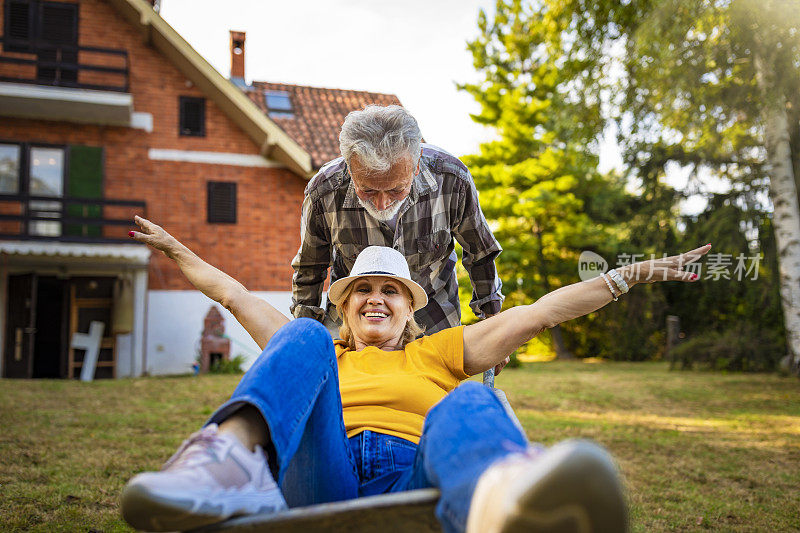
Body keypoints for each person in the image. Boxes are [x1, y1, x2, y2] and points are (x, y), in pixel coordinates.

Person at [122, 215, 709, 533]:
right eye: (363, 292)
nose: (375, 300)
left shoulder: (438, 351)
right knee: (298, 335)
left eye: (390, 293)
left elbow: (544, 310)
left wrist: (638, 273)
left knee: (473, 398)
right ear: (345, 305)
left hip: (418, 476)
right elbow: (232, 291)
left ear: (410, 308)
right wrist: (177, 250)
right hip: (322, 476)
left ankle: (502, 504)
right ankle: (222, 467)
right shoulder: (322, 349)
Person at [291, 105, 504, 343]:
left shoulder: (452, 179)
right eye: (368, 190)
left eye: (396, 189)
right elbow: (310, 268)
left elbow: (480, 253)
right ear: (350, 167)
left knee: (431, 381)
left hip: (433, 315)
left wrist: (491, 321)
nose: (381, 204)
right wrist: (302, 334)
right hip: (356, 320)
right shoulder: (324, 191)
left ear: (416, 163)